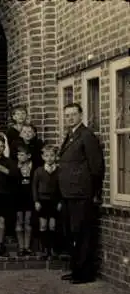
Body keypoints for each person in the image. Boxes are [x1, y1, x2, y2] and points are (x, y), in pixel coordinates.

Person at [58, 103, 104, 284]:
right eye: (67, 115)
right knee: (72, 233)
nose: (69, 118)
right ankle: (76, 269)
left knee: (83, 233)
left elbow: (96, 167)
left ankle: (85, 274)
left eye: (73, 114)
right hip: (69, 193)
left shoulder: (86, 136)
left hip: (82, 193)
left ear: (81, 115)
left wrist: (94, 192)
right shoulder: (71, 135)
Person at [33, 145, 62, 257]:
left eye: (52, 156)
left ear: (55, 157)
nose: (49, 158)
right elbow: (34, 187)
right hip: (42, 200)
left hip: (54, 201)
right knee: (43, 225)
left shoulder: (59, 171)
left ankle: (53, 248)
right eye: (46, 156)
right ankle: (44, 248)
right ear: (43, 157)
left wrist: (60, 202)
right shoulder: (39, 171)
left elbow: (61, 188)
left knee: (53, 225)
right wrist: (36, 201)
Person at [15, 145, 34, 256]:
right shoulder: (15, 167)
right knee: (19, 221)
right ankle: (21, 247)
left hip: (29, 197)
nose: (20, 157)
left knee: (28, 222)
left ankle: (27, 247)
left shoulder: (33, 167)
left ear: (28, 156)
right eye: (18, 155)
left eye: (22, 155)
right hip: (18, 197)